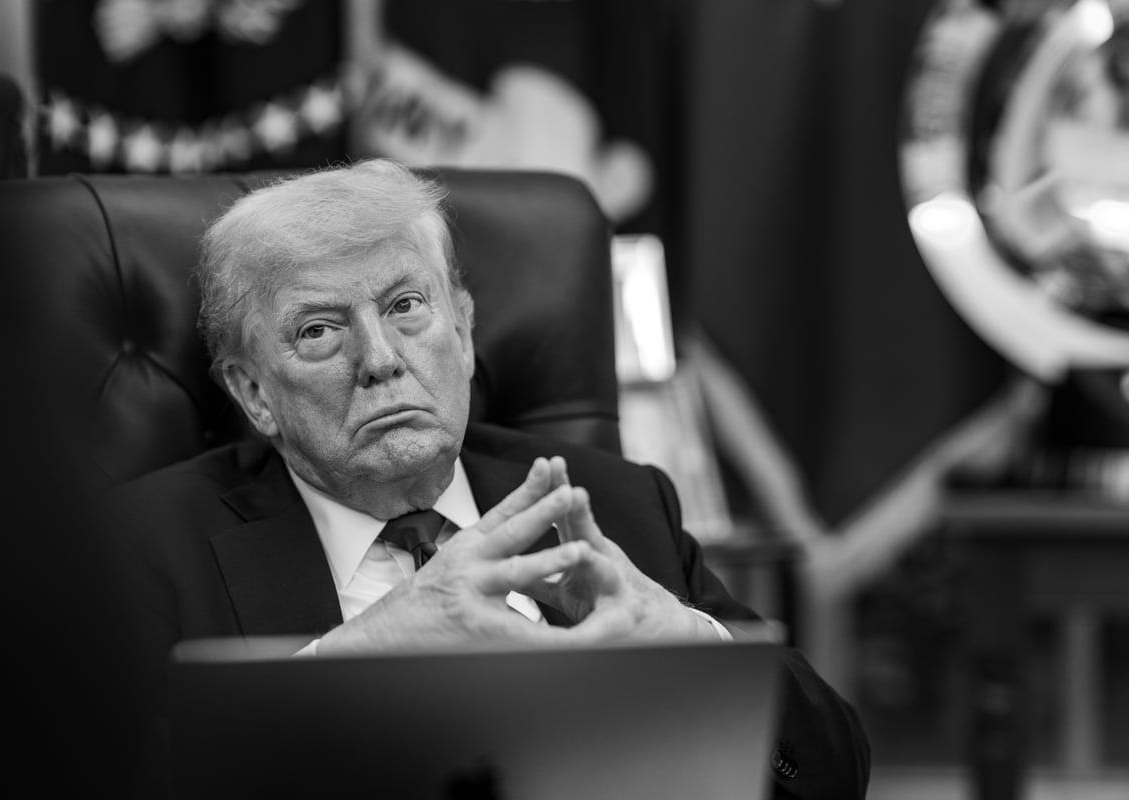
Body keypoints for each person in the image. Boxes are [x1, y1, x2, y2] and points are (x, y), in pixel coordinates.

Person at [110, 158, 869, 798]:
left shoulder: (617, 505)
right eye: (319, 330)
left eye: (407, 306)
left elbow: (830, 775)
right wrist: (358, 658)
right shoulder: (148, 550)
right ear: (252, 394)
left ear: (465, 334)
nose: (379, 359)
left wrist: (683, 640)